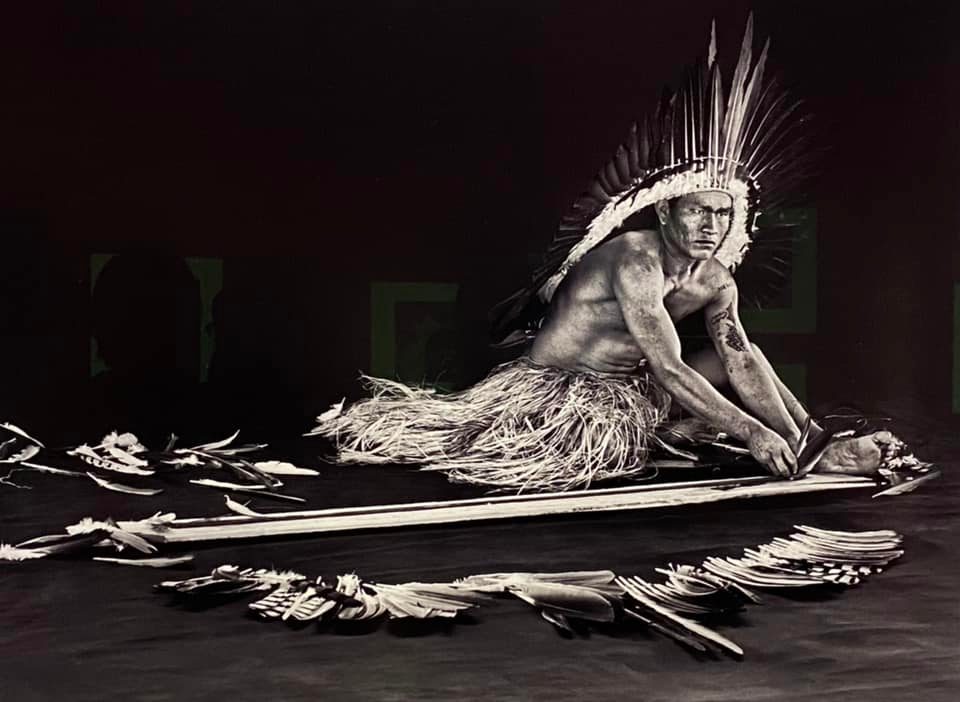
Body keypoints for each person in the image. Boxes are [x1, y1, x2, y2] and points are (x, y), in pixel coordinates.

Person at [312, 17, 895, 489]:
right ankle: (690, 437)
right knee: (617, 439)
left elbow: (738, 359)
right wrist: (749, 432)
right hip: (564, 393)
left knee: (743, 359)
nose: (710, 226)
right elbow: (668, 367)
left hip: (633, 393)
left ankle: (815, 445)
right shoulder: (633, 262)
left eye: (721, 214)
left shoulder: (716, 280)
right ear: (665, 212)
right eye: (697, 210)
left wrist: (783, 431)